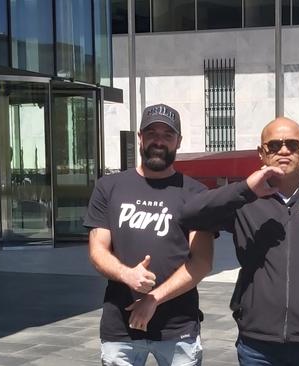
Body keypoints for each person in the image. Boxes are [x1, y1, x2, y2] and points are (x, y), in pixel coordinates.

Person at [181, 117, 299, 366]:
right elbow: (189, 214)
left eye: (292, 144)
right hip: (257, 346)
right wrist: (245, 189)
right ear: (261, 153)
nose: (284, 150)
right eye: (274, 145)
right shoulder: (244, 202)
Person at [84, 104, 214, 366]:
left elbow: (201, 262)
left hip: (178, 328)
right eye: (152, 133)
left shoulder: (196, 194)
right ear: (140, 138)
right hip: (120, 327)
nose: (159, 141)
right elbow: (97, 250)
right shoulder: (109, 187)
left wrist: (153, 299)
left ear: (178, 141)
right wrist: (126, 274)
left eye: (167, 135)